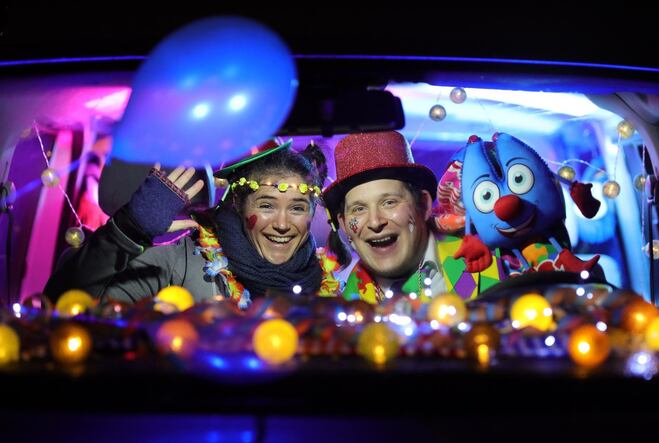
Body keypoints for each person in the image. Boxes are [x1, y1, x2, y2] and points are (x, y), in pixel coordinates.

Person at [45, 141, 339, 309]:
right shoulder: (181, 264)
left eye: (297, 208)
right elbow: (64, 306)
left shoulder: (335, 281)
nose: (283, 224)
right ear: (239, 204)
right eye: (266, 205)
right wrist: (127, 231)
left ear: (312, 213)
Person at [322, 131, 509, 304]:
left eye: (389, 202)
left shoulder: (495, 261)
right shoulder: (343, 304)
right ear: (344, 225)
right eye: (359, 209)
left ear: (424, 205)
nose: (375, 222)